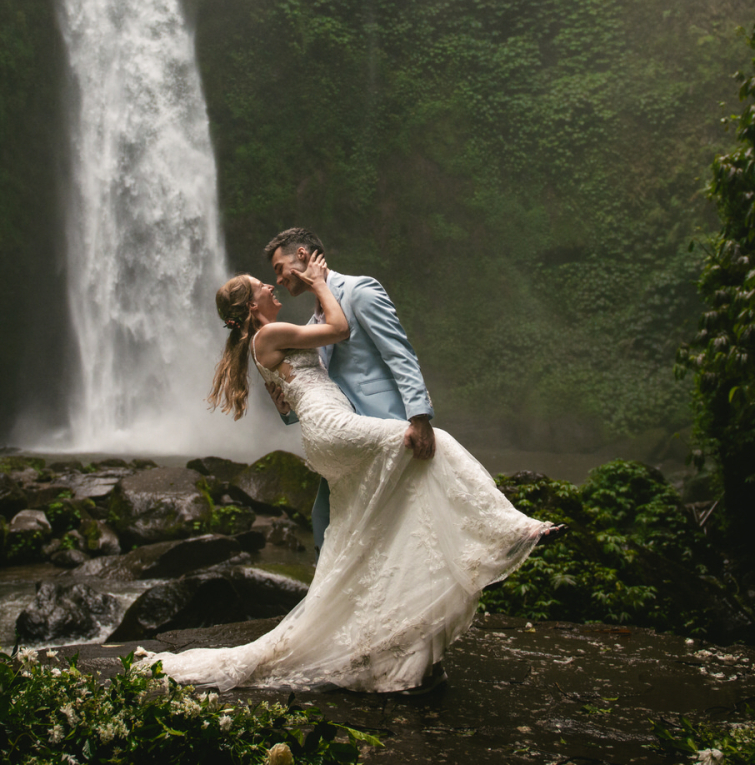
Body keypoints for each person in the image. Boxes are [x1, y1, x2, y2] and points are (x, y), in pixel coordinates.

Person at [141, 256, 553, 693]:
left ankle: (393, 646)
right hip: (333, 427)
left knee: (369, 520)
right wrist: (319, 283)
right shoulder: (272, 333)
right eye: (262, 284)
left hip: (322, 431)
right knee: (433, 444)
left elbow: (285, 409)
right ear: (250, 305)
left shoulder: (262, 341)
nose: (271, 286)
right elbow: (340, 330)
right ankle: (510, 529)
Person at [263, 228, 434, 553]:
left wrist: (420, 417)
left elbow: (400, 354)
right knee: (325, 529)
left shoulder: (359, 291)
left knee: (402, 533)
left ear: (301, 255)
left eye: (278, 269)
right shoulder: (315, 326)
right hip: (348, 442)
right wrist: (286, 408)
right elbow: (318, 389)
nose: (279, 281)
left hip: (390, 428)